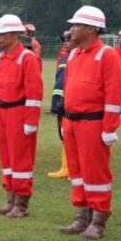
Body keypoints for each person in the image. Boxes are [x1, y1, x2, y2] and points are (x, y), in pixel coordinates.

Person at [58, 6, 121, 240]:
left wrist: (109, 128)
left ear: (92, 29)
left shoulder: (107, 55)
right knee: (76, 171)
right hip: (72, 121)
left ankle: (98, 219)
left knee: (95, 172)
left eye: (77, 25)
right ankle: (81, 216)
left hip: (93, 123)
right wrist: (65, 119)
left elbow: (114, 95)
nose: (72, 29)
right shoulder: (74, 54)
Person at [0, 14, 44, 218]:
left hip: (19, 113)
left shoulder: (27, 58)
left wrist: (30, 121)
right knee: (6, 157)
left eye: (3, 34)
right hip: (3, 112)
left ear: (15, 35)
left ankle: (21, 203)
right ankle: (10, 199)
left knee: (21, 158)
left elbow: (34, 92)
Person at [47, 31, 75, 179]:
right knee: (64, 136)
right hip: (61, 102)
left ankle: (73, 169)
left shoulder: (76, 58)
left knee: (73, 138)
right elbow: (59, 80)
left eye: (69, 40)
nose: (66, 42)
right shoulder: (65, 57)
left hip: (71, 102)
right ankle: (65, 168)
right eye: (65, 40)